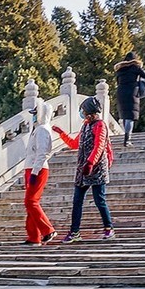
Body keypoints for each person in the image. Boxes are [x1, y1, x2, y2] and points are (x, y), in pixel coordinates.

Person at [53, 96, 115, 242]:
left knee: (99, 200)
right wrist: (61, 133)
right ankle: (74, 232)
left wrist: (90, 163)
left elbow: (99, 146)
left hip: (97, 168)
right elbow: (75, 144)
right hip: (83, 169)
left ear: (89, 112)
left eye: (83, 110)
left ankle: (109, 228)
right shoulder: (85, 126)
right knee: (77, 200)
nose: (81, 113)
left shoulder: (100, 125)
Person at [21, 102, 57, 245]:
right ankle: (33, 236)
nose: (34, 117)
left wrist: (35, 173)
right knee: (30, 203)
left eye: (36, 113)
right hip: (32, 167)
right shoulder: (38, 129)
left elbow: (43, 153)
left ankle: (48, 230)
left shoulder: (43, 130)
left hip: (38, 168)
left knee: (31, 201)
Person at [114, 51, 145, 148]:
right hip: (132, 92)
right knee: (130, 116)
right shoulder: (135, 68)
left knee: (124, 115)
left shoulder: (119, 70)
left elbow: (118, 82)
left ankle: (126, 137)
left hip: (121, 92)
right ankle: (127, 140)